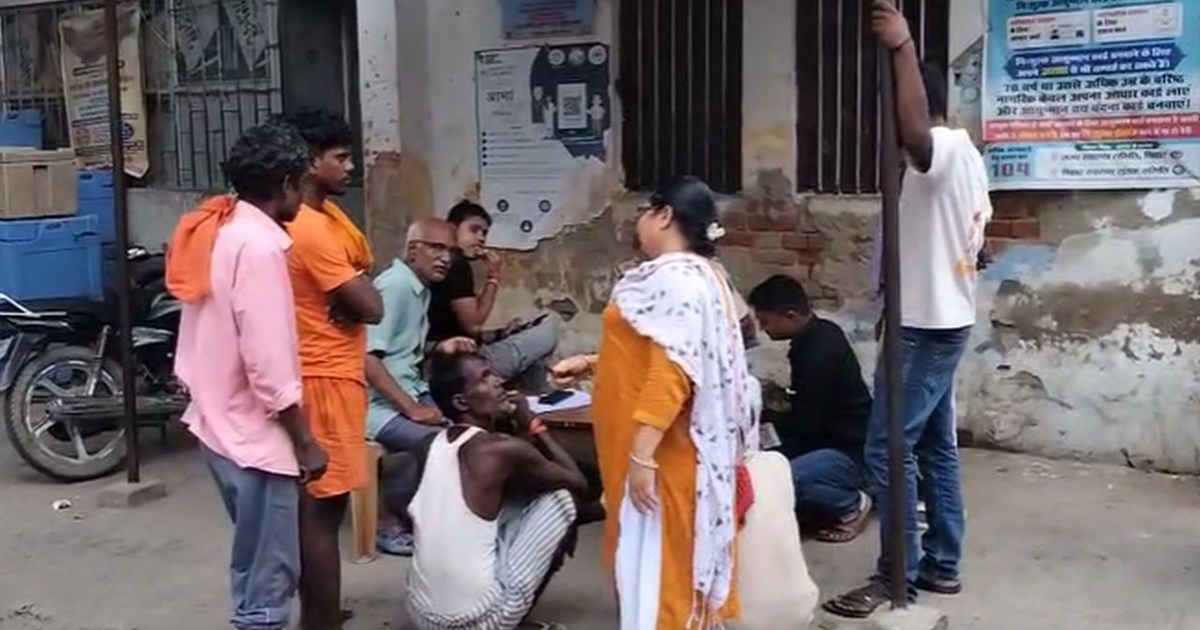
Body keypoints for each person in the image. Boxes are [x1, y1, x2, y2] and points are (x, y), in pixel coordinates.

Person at [823, 1, 992, 619]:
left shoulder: (941, 150)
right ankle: (943, 564)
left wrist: (901, 47)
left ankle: (899, 574)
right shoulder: (969, 164)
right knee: (934, 449)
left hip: (927, 329)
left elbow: (918, 133)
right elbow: (979, 244)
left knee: (887, 449)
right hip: (938, 321)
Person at [552, 177, 757, 629]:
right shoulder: (698, 277)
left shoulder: (676, 280)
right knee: (658, 580)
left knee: (662, 588)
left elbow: (674, 375)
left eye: (646, 210)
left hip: (665, 461)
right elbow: (662, 351)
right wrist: (592, 362)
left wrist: (642, 455)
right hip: (665, 456)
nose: (640, 220)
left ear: (664, 215)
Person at [165, 123, 327, 630]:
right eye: (301, 183)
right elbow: (268, 362)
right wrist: (304, 441)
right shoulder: (257, 248)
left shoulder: (221, 230)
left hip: (219, 423)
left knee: (256, 564)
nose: (304, 194)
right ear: (284, 185)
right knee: (267, 578)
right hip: (252, 434)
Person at [279, 109, 382, 630]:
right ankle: (320, 621)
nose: (350, 167)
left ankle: (319, 613)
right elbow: (373, 306)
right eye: (339, 158)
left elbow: (363, 282)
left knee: (323, 509)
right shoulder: (311, 228)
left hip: (336, 371)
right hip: (322, 377)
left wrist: (357, 289)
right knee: (321, 512)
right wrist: (358, 292)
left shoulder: (328, 218)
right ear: (309, 162)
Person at [404, 352, 586, 630]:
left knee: (499, 514)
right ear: (461, 402)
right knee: (562, 498)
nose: (499, 381)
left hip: (421, 614)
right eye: (485, 378)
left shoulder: (429, 445)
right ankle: (512, 622)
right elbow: (576, 481)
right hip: (474, 621)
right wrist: (533, 423)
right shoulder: (498, 449)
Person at [365, 217, 476, 555]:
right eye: (437, 248)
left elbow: (399, 349)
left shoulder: (419, 288)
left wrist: (440, 348)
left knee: (467, 429)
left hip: (407, 391)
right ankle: (392, 525)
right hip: (374, 406)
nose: (446, 258)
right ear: (414, 250)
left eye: (451, 252)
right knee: (437, 443)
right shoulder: (396, 286)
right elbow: (367, 359)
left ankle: (436, 519)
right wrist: (412, 410)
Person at [746, 275, 873, 542]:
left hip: (850, 452)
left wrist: (771, 450)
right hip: (836, 441)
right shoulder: (820, 333)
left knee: (782, 479)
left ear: (790, 316)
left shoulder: (818, 353)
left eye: (767, 322)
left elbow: (809, 425)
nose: (764, 329)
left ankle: (852, 504)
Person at [427, 201, 559, 392]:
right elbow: (473, 325)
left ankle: (532, 401)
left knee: (534, 344)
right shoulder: (457, 266)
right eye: (474, 230)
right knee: (549, 331)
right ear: (452, 229)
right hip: (460, 364)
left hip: (453, 356)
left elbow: (459, 326)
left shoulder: (454, 265)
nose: (480, 238)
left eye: (484, 233)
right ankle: (537, 401)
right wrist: (493, 277)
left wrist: (501, 333)